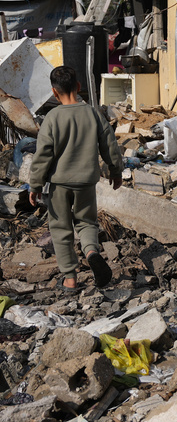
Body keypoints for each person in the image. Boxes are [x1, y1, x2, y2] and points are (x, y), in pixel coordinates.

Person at [29, 65, 123, 291]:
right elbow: (109, 145)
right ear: (78, 87)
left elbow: (43, 155)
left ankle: (70, 279)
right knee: (87, 222)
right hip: (86, 183)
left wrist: (35, 184)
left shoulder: (52, 118)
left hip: (58, 184)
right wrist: (115, 171)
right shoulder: (92, 113)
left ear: (54, 92)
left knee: (61, 229)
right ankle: (91, 251)